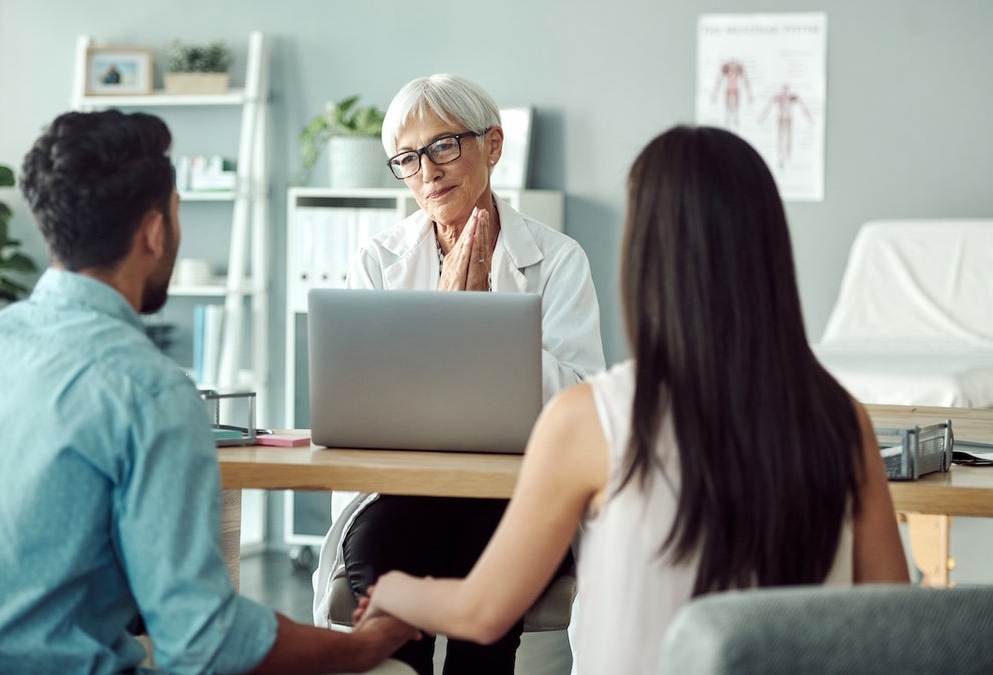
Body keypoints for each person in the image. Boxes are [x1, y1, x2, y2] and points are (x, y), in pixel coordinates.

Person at [358, 125, 910, 674]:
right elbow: (892, 631)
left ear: (645, 254)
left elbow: (480, 612)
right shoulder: (842, 422)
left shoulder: (591, 419)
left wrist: (394, 591)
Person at [0, 109, 418, 674]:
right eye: (177, 215)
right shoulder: (147, 390)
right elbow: (205, 643)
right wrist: (363, 644)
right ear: (153, 231)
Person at [312, 74, 606, 675]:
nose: (428, 171)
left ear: (492, 146)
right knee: (386, 560)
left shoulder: (559, 260)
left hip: (517, 494)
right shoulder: (378, 259)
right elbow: (363, 402)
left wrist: (480, 323)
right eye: (407, 158)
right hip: (403, 492)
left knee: (489, 574)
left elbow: (580, 402)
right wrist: (444, 326)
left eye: (444, 146)